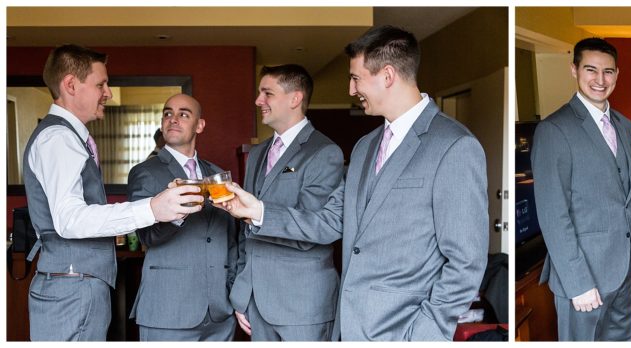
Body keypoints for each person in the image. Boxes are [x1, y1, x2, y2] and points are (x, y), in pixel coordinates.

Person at [216, 25, 488, 341]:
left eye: (356, 78)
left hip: (406, 331)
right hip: (349, 327)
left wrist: (425, 332)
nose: (350, 89)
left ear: (387, 76)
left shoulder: (454, 146)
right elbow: (330, 221)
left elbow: (466, 262)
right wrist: (258, 210)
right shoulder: (364, 147)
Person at [23, 44, 201, 341]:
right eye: (100, 84)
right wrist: (152, 209)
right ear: (70, 85)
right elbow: (70, 220)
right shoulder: (59, 139)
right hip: (72, 289)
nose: (108, 92)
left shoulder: (69, 137)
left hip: (75, 284)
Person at [531, 37, 631, 341]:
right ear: (574, 70)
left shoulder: (624, 125)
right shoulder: (554, 129)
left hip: (626, 267)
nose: (600, 80)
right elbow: (552, 213)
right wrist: (577, 281)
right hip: (583, 274)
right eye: (591, 70)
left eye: (608, 72)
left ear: (617, 74)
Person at [227, 64, 345, 341]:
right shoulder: (257, 154)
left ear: (295, 98)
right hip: (255, 304)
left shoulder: (324, 152)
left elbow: (319, 228)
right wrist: (242, 293)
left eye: (267, 93)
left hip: (303, 306)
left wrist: (259, 213)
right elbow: (247, 232)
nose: (258, 101)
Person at [127, 94, 238, 341]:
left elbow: (231, 241)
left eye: (183, 114)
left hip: (220, 313)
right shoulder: (145, 172)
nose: (173, 119)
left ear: (199, 125)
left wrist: (232, 293)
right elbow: (147, 237)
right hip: (169, 311)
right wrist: (179, 211)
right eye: (168, 113)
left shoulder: (218, 174)